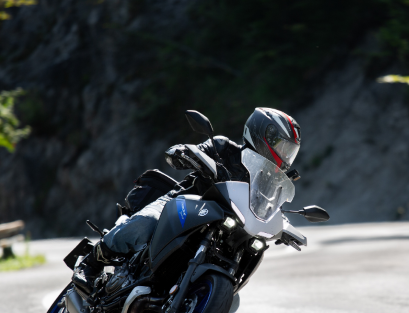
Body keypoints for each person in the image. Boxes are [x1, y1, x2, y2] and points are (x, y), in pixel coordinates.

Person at [72, 107, 302, 294]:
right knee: (146, 221)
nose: (284, 155)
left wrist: (284, 226)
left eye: (289, 151)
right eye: (281, 146)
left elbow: (271, 207)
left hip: (225, 226)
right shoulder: (224, 148)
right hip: (183, 205)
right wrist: (186, 153)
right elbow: (195, 150)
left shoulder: (270, 180)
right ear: (262, 133)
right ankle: (90, 263)